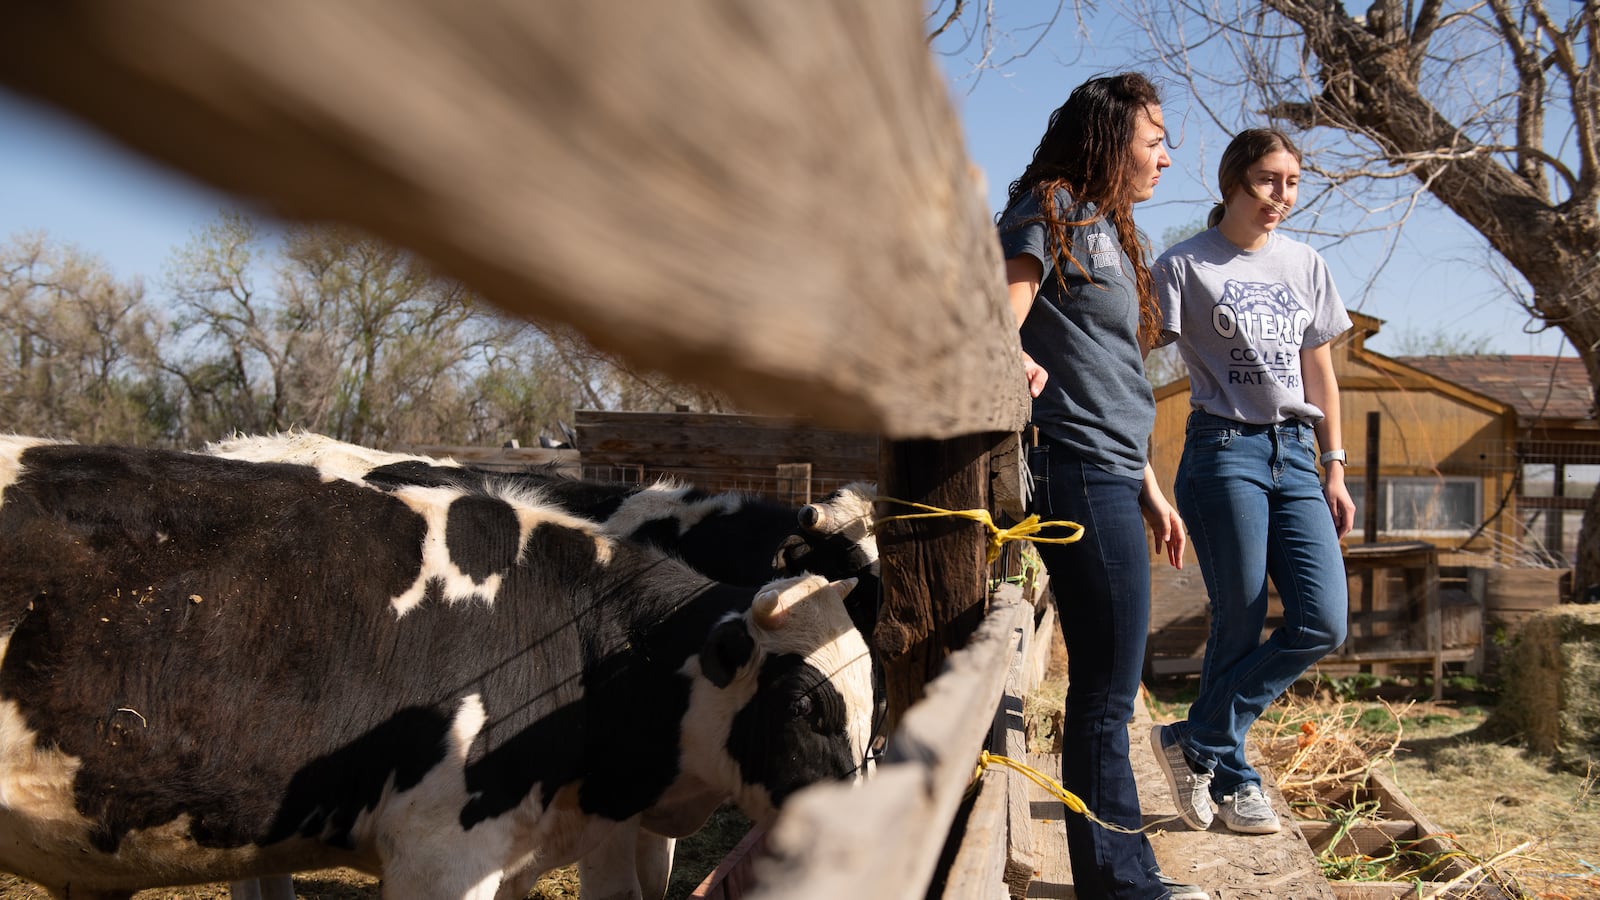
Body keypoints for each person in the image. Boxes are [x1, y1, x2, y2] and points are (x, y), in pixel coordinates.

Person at [999, 72, 1206, 900]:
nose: (1166, 157)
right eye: (1155, 140)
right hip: (1076, 467)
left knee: (1111, 686)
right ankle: (1121, 885)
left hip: (1114, 470)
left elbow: (1109, 373)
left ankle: (1122, 874)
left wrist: (1152, 488)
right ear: (1110, 138)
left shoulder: (1111, 232)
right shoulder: (1046, 209)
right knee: (1106, 693)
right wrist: (1004, 354)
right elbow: (992, 318)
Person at [1148, 128, 1356, 836]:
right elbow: (1127, 350)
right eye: (1269, 180)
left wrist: (1335, 462)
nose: (1281, 196)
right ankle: (1235, 783)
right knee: (1237, 618)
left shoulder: (1307, 264)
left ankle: (1197, 737)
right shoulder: (1183, 266)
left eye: (1292, 182)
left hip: (1298, 452)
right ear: (1234, 180)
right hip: (1223, 449)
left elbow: (1320, 371)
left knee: (1323, 619)